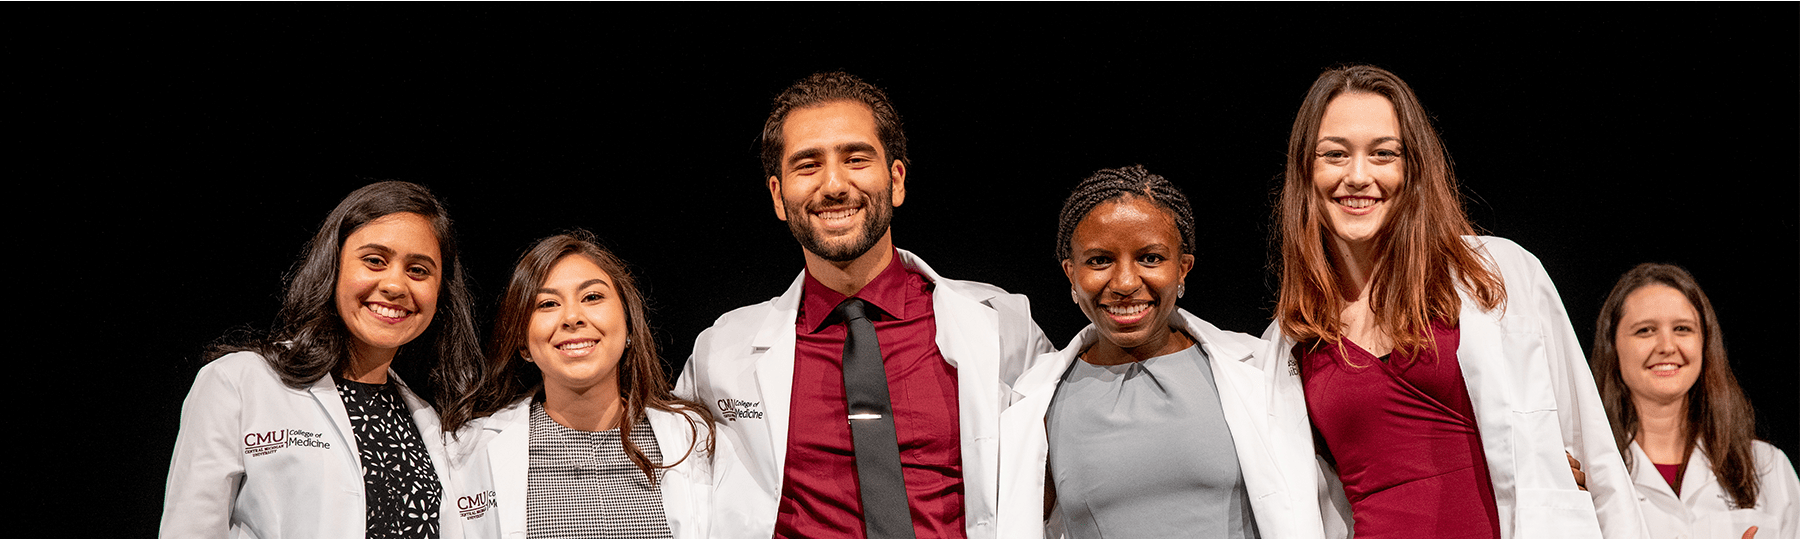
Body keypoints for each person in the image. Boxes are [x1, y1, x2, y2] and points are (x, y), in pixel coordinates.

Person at [1255, 65, 1647, 538]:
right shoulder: (1292, 335)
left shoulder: (1495, 273)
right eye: (1334, 155)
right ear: (1306, 170)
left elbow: (1590, 446)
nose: (1358, 176)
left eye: (1383, 154)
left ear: (1412, 167)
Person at [675, 71, 1054, 539]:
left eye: (856, 158)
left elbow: (1071, 472)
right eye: (807, 165)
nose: (833, 185)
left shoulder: (1003, 327)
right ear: (778, 195)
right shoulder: (721, 352)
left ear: (896, 179)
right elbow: (668, 478)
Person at [994, 165, 1320, 539]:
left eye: (1150, 258)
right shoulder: (1035, 403)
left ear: (1183, 268)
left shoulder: (1262, 371)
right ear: (1071, 273)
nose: (1126, 283)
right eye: (1100, 260)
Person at [161, 180, 486, 538]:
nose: (395, 285)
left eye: (418, 270)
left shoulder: (429, 419)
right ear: (333, 267)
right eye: (374, 261)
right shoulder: (238, 382)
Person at [446, 230, 715, 539]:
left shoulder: (695, 438)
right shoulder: (468, 453)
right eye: (547, 304)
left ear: (629, 326)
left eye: (592, 297)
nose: (572, 317)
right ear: (522, 342)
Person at [1589, 263, 1799, 539]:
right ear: (1613, 348)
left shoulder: (1767, 467)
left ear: (1705, 343)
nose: (1666, 346)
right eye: (1645, 331)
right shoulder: (1587, 475)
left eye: (1682, 329)